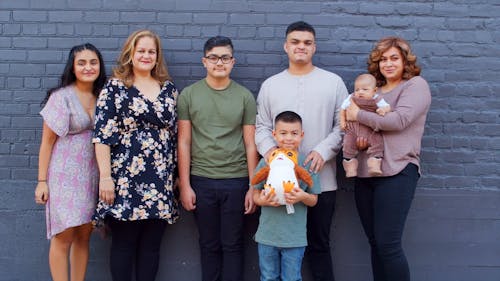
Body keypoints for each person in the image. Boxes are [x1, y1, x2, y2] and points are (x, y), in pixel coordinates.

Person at [255, 21, 348, 281]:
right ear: (286, 46)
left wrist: (323, 151)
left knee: (319, 246)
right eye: (295, 42)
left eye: (307, 42)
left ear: (314, 47)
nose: (301, 47)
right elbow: (261, 126)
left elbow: (342, 126)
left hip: (321, 182)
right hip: (277, 185)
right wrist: (273, 154)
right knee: (276, 251)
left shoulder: (333, 82)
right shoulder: (271, 85)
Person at [92, 29, 179, 281]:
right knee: (124, 245)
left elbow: (175, 137)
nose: (146, 55)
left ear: (157, 56)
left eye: (151, 51)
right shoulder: (115, 88)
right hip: (125, 179)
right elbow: (102, 136)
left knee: (151, 247)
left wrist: (174, 177)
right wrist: (106, 177)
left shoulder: (168, 89)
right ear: (130, 53)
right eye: (141, 50)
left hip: (160, 181)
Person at [345, 37, 431, 281]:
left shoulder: (415, 85)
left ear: (405, 60)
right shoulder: (373, 92)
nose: (388, 64)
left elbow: (398, 121)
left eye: (394, 58)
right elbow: (355, 128)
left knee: (388, 244)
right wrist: (359, 140)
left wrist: (358, 114)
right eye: (383, 59)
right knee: (376, 244)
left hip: (398, 172)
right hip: (366, 173)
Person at [177, 35, 259, 281]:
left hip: (236, 180)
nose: (219, 62)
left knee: (233, 245)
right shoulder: (189, 95)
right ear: (204, 61)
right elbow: (183, 141)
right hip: (201, 180)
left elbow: (250, 143)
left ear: (232, 62)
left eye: (225, 57)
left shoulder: (245, 97)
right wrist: (185, 185)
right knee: (208, 244)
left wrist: (253, 186)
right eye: (213, 57)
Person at [35, 43, 106, 281]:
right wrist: (42, 181)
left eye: (93, 62)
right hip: (64, 176)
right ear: (73, 67)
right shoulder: (61, 97)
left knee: (84, 234)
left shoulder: (103, 95)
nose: (88, 67)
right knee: (63, 235)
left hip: (92, 174)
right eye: (82, 63)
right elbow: (46, 142)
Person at [252, 111, 321, 281]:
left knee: (292, 278)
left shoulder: (307, 163)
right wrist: (263, 200)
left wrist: (302, 197)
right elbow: (255, 193)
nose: (288, 138)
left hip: (294, 237)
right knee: (268, 277)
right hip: (267, 235)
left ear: (302, 135)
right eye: (283, 133)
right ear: (274, 135)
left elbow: (314, 200)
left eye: (294, 133)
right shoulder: (267, 162)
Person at [340, 73, 391, 178]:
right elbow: (343, 109)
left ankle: (375, 167)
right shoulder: (351, 98)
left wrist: (382, 110)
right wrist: (342, 121)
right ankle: (350, 169)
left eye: (365, 89)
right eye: (357, 89)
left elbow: (387, 107)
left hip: (370, 129)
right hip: (352, 129)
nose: (360, 92)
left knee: (377, 143)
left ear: (375, 90)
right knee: (347, 145)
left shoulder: (377, 99)